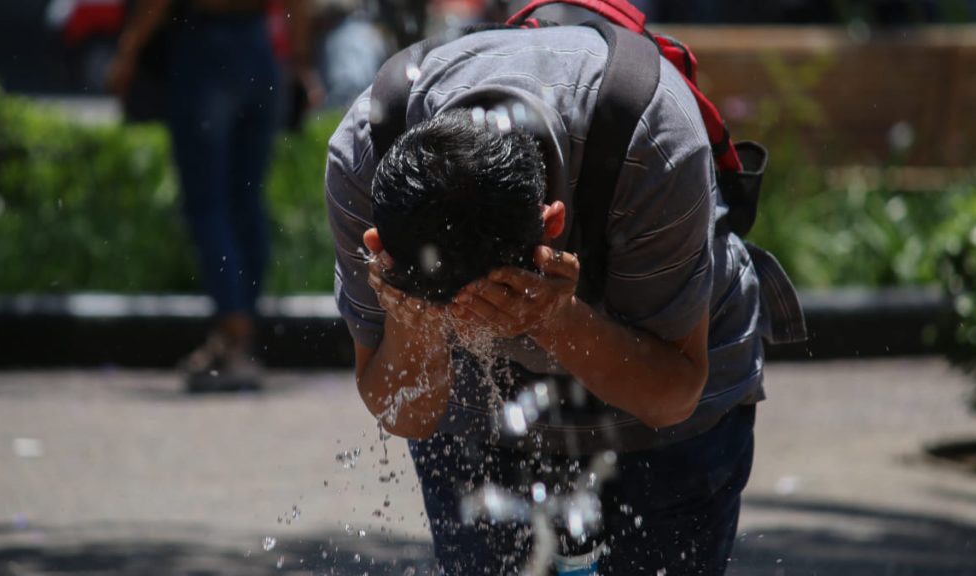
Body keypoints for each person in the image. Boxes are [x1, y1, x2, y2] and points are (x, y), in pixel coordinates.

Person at [325, 9, 803, 574]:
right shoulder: (367, 156)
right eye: (453, 312)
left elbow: (673, 394)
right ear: (381, 242)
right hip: (479, 417)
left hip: (673, 403)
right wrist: (415, 324)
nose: (475, 329)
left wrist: (554, 318)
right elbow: (407, 414)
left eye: (492, 300)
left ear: (550, 224)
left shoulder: (653, 141)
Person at [109, 0, 318, 391]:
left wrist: (128, 50)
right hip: (259, 48)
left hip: (206, 48)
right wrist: (301, 63)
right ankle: (241, 336)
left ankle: (232, 335)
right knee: (246, 201)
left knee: (208, 204)